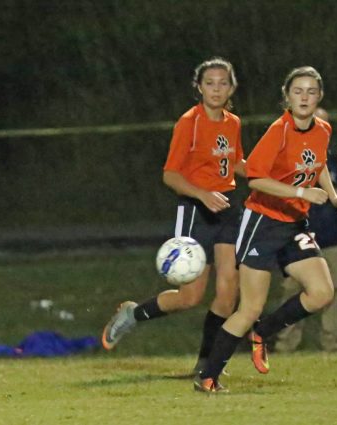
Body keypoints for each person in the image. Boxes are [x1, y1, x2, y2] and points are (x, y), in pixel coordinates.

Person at [195, 67, 337, 393]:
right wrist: (301, 193)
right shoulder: (278, 131)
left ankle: (263, 332)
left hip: (294, 224)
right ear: (288, 96)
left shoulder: (322, 129)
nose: (305, 97)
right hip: (262, 223)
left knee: (322, 291)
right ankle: (208, 377)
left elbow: (318, 162)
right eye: (298, 91)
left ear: (319, 96)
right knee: (249, 306)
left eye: (311, 91)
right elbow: (255, 178)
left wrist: (333, 195)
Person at [102, 57, 245, 375]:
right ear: (199, 87)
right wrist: (202, 194)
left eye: (223, 82)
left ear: (232, 87)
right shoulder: (189, 123)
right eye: (210, 83)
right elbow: (170, 175)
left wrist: (271, 175)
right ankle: (134, 313)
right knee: (190, 296)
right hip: (196, 209)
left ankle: (207, 365)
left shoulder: (233, 122)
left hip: (227, 208)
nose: (217, 89)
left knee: (228, 292)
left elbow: (235, 162)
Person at [275, 107, 337, 353]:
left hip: (331, 234)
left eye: (324, 123)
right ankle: (285, 343)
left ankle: (332, 342)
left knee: (334, 290)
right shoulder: (288, 153)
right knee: (292, 288)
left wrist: (336, 196)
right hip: (298, 233)